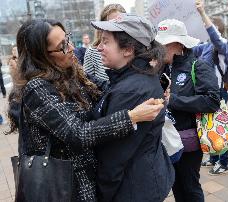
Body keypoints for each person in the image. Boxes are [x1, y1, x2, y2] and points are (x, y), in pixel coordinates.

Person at [9, 18, 164, 201]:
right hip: (63, 186)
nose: (72, 48)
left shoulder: (70, 72)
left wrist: (150, 79)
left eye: (68, 39)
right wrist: (130, 117)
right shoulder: (37, 88)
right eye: (63, 46)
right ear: (41, 56)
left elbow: (106, 89)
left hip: (84, 179)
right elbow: (78, 133)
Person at [91, 13, 174, 202]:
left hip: (131, 189)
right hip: (143, 179)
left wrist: (102, 194)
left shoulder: (130, 91)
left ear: (127, 50)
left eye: (105, 41)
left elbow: (113, 157)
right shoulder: (136, 76)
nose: (99, 47)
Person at [156, 18, 221, 202]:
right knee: (176, 185)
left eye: (163, 45)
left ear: (178, 44)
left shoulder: (198, 66)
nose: (159, 50)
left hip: (189, 141)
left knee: (190, 186)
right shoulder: (161, 68)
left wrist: (172, 100)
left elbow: (212, 100)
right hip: (167, 139)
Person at [194, 0, 228, 175]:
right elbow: (190, 49)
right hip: (206, 93)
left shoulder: (223, 45)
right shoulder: (206, 46)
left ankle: (224, 163)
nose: (204, 28)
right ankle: (213, 158)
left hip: (218, 93)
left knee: (219, 128)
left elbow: (214, 36)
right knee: (208, 126)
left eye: (207, 26)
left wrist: (203, 13)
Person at [83, 4, 126, 80]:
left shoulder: (130, 49)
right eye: (109, 24)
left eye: (117, 24)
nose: (113, 29)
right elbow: (87, 82)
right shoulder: (92, 52)